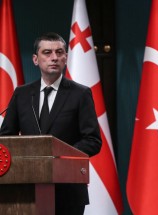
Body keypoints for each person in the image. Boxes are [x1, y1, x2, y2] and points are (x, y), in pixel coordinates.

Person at [0, 32, 102, 214]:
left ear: (65, 58)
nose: (54, 57)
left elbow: (92, 141)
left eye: (59, 52)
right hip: (25, 189)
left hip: (68, 191)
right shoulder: (22, 94)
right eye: (47, 52)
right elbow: (5, 138)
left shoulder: (80, 94)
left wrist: (58, 158)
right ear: (35, 59)